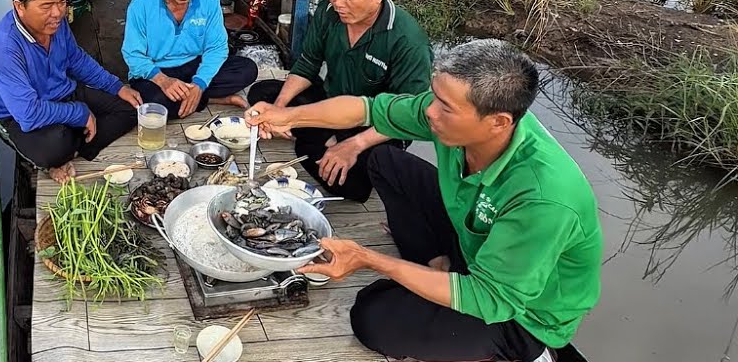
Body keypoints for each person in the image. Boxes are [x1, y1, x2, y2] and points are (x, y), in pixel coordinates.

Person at [244, 39, 602, 362]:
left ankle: (519, 350)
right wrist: (287, 115)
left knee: (371, 315)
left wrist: (368, 259)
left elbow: (493, 298)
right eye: (433, 96)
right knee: (384, 161)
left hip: (519, 312)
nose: (430, 112)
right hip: (474, 238)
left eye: (445, 107)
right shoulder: (450, 115)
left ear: (498, 122)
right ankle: (439, 266)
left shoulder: (545, 197)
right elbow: (366, 110)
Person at [247, 0, 432, 202]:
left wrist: (353, 144)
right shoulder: (327, 11)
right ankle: (314, 135)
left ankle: (318, 138)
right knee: (263, 92)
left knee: (351, 185)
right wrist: (279, 108)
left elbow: (409, 115)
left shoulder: (407, 40)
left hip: (376, 124)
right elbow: (308, 64)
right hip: (332, 104)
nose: (337, 3)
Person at [0, 0, 143, 184]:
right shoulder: (4, 48)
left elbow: (76, 60)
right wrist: (79, 113)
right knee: (54, 146)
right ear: (19, 6)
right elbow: (28, 114)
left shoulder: (55, 22)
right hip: (16, 116)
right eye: (46, 6)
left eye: (61, 2)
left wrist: (116, 86)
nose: (57, 12)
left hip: (61, 92)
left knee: (131, 107)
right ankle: (65, 149)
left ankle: (71, 152)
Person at [122, 0, 258, 119]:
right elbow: (133, 54)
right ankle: (210, 99)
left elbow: (216, 47)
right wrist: (163, 80)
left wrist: (200, 83)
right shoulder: (141, 5)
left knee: (247, 69)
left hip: (194, 65)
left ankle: (195, 94)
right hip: (156, 71)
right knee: (153, 104)